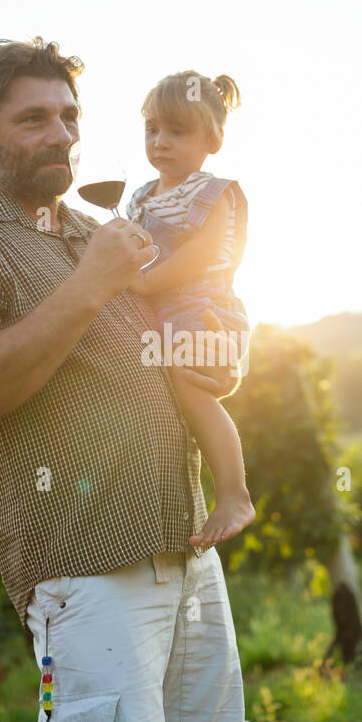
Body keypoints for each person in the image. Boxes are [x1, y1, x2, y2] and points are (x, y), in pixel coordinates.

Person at [0, 37, 250, 722]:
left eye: (69, 117)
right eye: (34, 120)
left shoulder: (101, 233)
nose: (62, 135)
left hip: (190, 563)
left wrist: (215, 351)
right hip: (86, 584)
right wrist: (91, 285)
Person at [125, 70, 255, 548]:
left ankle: (234, 492)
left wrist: (141, 282)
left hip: (204, 307)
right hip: (160, 310)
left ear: (213, 139)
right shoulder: (140, 196)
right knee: (163, 396)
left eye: (176, 132)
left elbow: (199, 256)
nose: (160, 142)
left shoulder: (214, 191)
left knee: (192, 389)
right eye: (152, 129)